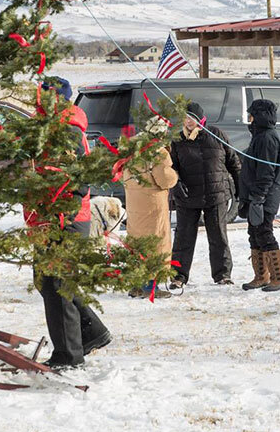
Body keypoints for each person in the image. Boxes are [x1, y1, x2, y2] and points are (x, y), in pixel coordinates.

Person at [30, 81, 112, 369]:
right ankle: (92, 333)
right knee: (45, 282)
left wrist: (63, 213)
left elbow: (79, 178)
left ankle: (69, 355)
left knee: (58, 286)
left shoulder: (67, 129)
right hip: (47, 218)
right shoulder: (49, 129)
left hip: (65, 218)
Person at [170, 101, 242, 287]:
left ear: (200, 119)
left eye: (192, 118)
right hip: (187, 196)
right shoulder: (177, 140)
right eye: (185, 118)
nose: (188, 122)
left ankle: (222, 274)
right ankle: (178, 276)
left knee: (218, 236)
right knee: (183, 237)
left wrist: (240, 188)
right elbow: (170, 167)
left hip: (215, 194)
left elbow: (233, 162)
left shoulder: (216, 134)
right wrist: (175, 184)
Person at [122, 118, 178, 299]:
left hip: (134, 202)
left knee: (137, 241)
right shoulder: (158, 152)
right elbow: (164, 179)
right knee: (155, 243)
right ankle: (150, 287)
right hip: (152, 205)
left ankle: (136, 285)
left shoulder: (133, 149)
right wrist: (175, 175)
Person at [238, 98, 280, 291]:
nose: (249, 117)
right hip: (254, 195)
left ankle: (279, 277)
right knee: (254, 234)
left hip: (264, 196)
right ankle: (261, 276)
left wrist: (259, 196)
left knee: (264, 232)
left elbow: (267, 171)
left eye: (252, 113)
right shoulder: (258, 136)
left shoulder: (268, 137)